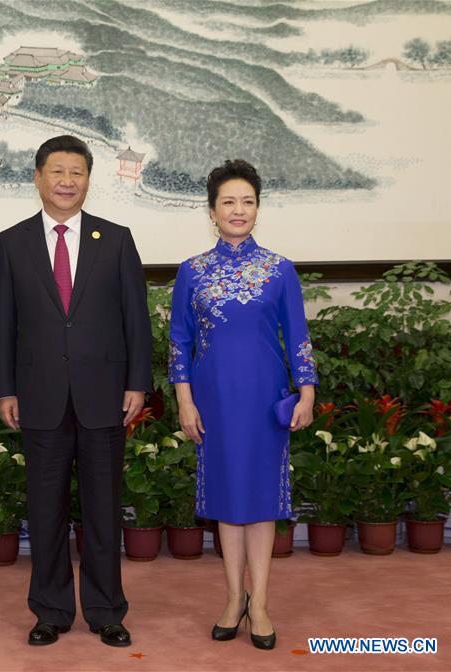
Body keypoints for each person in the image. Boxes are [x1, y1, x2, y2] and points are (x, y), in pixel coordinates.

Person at [0, 135, 152, 648]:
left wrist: (137, 383)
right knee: (45, 511)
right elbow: (1, 325)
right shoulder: (11, 243)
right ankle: (51, 611)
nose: (66, 181)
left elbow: (136, 321)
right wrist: (5, 389)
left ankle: (107, 610)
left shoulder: (117, 239)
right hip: (38, 396)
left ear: (88, 179)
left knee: (103, 510)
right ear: (38, 177)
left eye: (76, 172)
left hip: (105, 394)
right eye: (57, 172)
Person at [168, 159, 316, 650]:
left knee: (262, 504)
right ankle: (233, 598)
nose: (238, 210)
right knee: (227, 503)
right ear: (212, 211)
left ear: (258, 208)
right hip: (213, 402)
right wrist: (185, 403)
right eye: (228, 202)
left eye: (247, 201)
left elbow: (298, 337)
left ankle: (263, 604)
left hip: (264, 400)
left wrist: (308, 392)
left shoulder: (280, 270)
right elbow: (179, 343)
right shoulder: (191, 271)